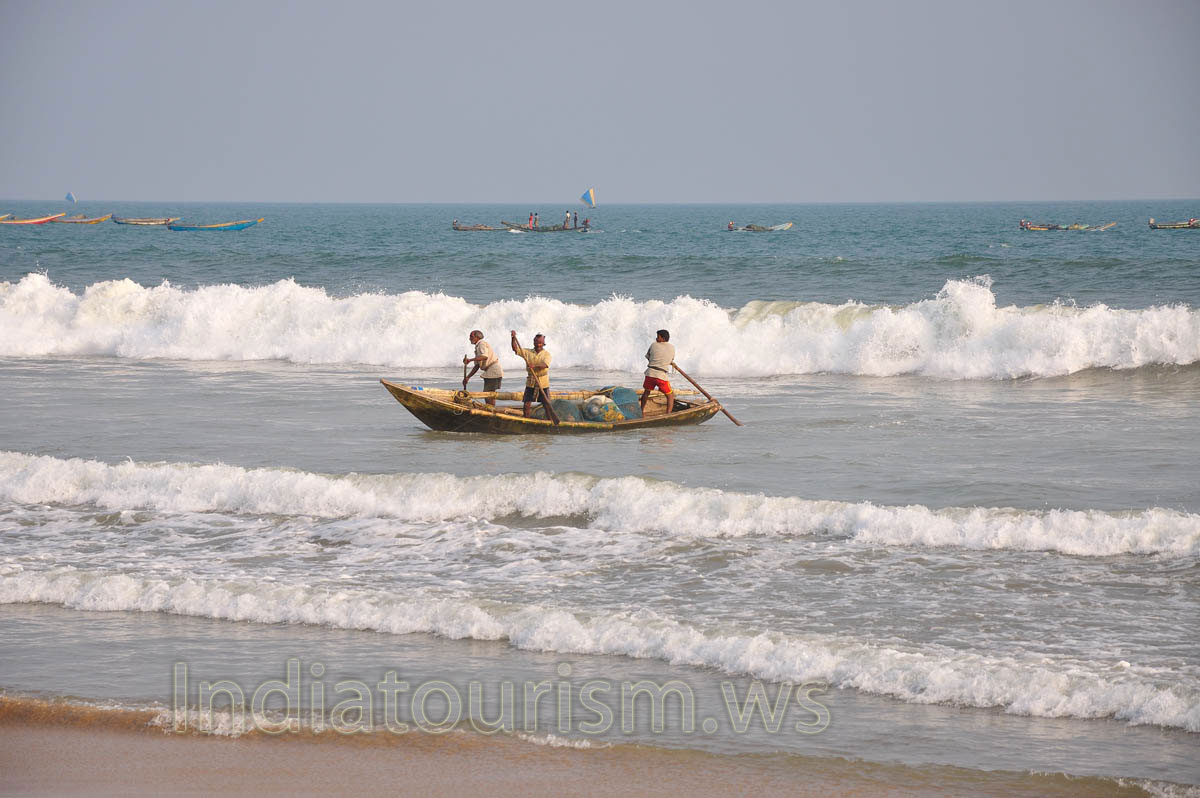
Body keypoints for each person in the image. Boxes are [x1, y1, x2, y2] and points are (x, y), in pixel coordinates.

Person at [511, 330, 551, 418]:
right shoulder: (527, 352)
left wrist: (534, 366)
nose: (537, 344)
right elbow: (515, 349)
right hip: (531, 381)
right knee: (526, 404)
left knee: (546, 404)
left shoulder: (546, 354)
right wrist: (513, 338)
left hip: (543, 382)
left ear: (543, 343)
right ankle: (527, 420)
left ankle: (550, 420)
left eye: (539, 343)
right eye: (536, 342)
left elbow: (545, 365)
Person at [462, 330, 503, 406]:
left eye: (471, 336)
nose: (469, 338)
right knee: (489, 394)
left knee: (488, 394)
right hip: (491, 370)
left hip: (493, 370)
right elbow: (477, 365)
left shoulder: (481, 343)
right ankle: (491, 410)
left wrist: (470, 360)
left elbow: (484, 356)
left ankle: (491, 410)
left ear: (477, 337)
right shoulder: (478, 346)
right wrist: (468, 377)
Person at [640, 329, 676, 415]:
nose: (656, 338)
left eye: (658, 337)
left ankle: (641, 411)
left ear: (663, 338)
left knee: (646, 392)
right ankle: (668, 414)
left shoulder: (653, 345)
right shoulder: (672, 347)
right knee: (670, 396)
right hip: (661, 376)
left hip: (650, 374)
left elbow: (648, 357)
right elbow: (670, 360)